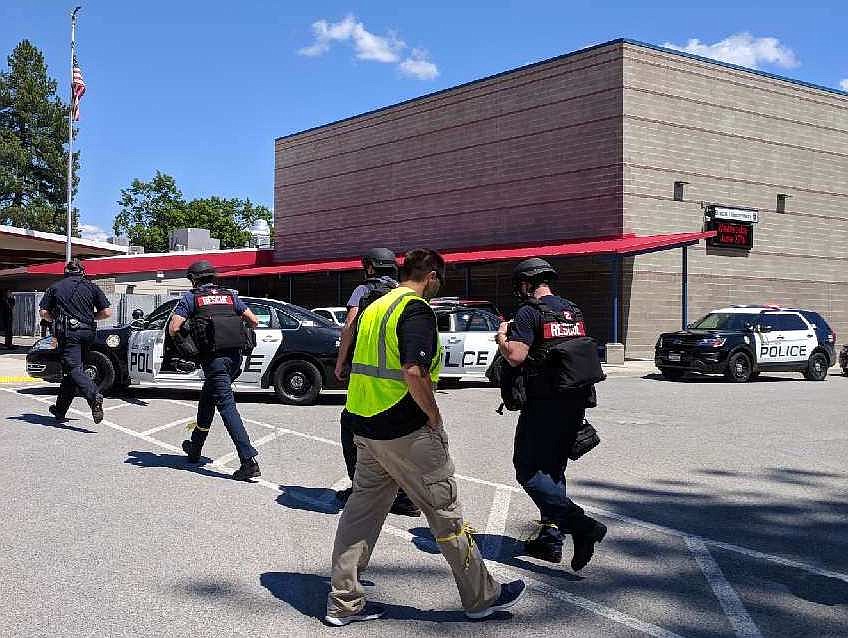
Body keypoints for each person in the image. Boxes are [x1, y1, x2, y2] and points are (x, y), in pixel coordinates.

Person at [325, 249, 526, 626]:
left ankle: (343, 604)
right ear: (431, 276)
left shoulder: (374, 305)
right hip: (406, 430)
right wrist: (434, 416)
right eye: (440, 280)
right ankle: (481, 598)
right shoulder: (415, 310)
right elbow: (414, 371)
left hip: (365, 427)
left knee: (360, 514)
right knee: (446, 515)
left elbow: (353, 352)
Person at [496, 258, 607, 571]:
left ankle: (583, 526)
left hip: (544, 403)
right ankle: (550, 539)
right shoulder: (573, 310)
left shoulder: (529, 312)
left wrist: (503, 338)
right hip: (574, 403)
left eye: (520, 285)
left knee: (528, 471)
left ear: (526, 284)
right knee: (553, 471)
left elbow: (516, 356)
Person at [333, 248, 419, 517]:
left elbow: (349, 326)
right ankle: (406, 497)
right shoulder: (403, 292)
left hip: (367, 373)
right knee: (396, 432)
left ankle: (362, 489)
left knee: (352, 426)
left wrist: (340, 361)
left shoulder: (363, 291)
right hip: (398, 374)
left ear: (370, 267)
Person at [168, 260, 262, 481]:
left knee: (227, 407)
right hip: (235, 359)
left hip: (214, 360)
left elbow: (174, 327)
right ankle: (195, 448)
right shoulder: (230, 296)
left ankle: (248, 460)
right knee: (207, 399)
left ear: (194, 279)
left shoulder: (192, 298)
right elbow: (254, 321)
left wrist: (186, 346)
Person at [39, 259, 112, 424]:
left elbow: (44, 312)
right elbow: (107, 312)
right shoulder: (92, 286)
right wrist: (89, 318)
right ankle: (60, 409)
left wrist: (53, 320)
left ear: (66, 272)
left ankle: (94, 397)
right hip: (87, 333)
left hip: (68, 334)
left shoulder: (55, 287)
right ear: (82, 272)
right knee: (72, 371)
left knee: (73, 368)